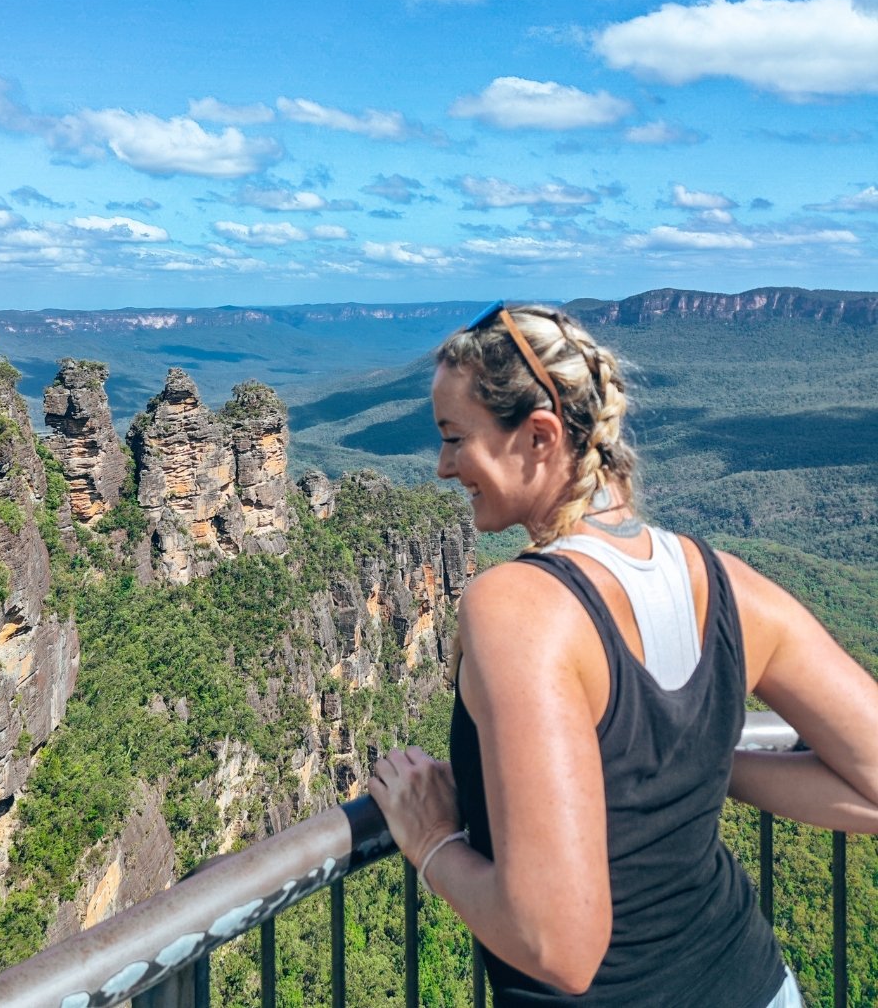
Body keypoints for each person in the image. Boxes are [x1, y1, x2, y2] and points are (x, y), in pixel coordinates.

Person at [367, 301, 878, 1007]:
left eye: (456, 439)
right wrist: (703, 765)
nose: (444, 468)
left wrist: (432, 844)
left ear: (540, 436)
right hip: (762, 987)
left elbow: (559, 949)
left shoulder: (517, 608)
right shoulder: (732, 585)